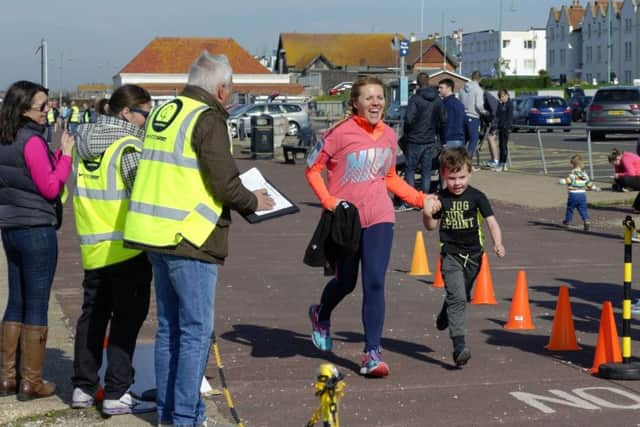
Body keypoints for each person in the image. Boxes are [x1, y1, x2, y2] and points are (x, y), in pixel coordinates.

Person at [123, 52, 274, 426]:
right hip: (190, 236)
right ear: (221, 89)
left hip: (155, 233)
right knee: (194, 334)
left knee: (169, 331)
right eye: (231, 89)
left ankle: (169, 413)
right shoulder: (208, 118)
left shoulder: (164, 110)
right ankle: (185, 417)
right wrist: (256, 200)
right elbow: (223, 181)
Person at [306, 76, 431, 377]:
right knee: (346, 282)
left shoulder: (389, 135)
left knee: (374, 282)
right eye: (369, 98)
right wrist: (328, 200)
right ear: (355, 103)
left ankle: (371, 353)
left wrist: (420, 198)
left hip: (380, 216)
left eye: (380, 97)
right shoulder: (338, 134)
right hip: (346, 220)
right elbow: (312, 169)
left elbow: (389, 177)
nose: (376, 102)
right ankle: (321, 314)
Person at [70, 85, 156, 415]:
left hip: (93, 246)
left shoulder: (83, 141)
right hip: (127, 248)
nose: (147, 120)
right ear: (126, 113)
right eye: (145, 113)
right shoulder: (129, 146)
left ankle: (82, 386)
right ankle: (118, 392)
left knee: (92, 316)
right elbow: (143, 194)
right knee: (126, 319)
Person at [0, 81, 75, 400]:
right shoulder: (31, 140)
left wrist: (53, 156)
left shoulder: (5, 139)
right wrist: (67, 157)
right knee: (36, 302)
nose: (48, 111)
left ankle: (7, 377)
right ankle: (31, 380)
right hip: (36, 228)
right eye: (42, 106)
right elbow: (49, 187)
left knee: (16, 299)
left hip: (11, 226)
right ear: (24, 109)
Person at [422, 147, 505, 367]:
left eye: (461, 177)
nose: (457, 183)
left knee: (460, 295)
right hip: (451, 255)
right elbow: (431, 227)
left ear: (470, 173)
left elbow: (491, 222)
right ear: (443, 176)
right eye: (452, 178)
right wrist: (428, 212)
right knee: (458, 298)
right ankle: (459, 346)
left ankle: (445, 313)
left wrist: (497, 243)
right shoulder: (440, 198)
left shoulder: (477, 196)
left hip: (474, 256)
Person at [396, 72, 446, 212]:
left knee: (410, 170)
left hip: (414, 139)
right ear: (429, 82)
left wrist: (407, 133)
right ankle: (424, 199)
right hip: (430, 139)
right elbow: (443, 119)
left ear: (417, 84)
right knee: (426, 171)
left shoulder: (415, 99)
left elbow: (409, 119)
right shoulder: (437, 100)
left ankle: (412, 200)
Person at [559, 154, 598, 231]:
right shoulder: (584, 175)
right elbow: (589, 184)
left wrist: (561, 181)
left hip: (573, 195)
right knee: (583, 209)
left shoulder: (572, 175)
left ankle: (567, 221)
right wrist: (595, 188)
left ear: (573, 165)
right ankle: (586, 220)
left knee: (570, 208)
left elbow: (566, 181)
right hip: (582, 195)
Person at [459, 71, 486, 159]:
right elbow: (479, 105)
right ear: (480, 79)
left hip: (463, 116)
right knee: (473, 139)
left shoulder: (462, 88)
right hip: (473, 116)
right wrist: (484, 112)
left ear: (471, 77)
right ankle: (468, 162)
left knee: (463, 139)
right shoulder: (478, 89)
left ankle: (460, 160)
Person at [438, 78, 465, 149]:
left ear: (449, 88)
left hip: (449, 139)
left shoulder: (446, 104)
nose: (439, 90)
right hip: (460, 139)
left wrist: (443, 141)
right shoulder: (459, 103)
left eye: (441, 88)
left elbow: (445, 123)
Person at [495, 89, 514, 172]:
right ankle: (501, 163)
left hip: (506, 128)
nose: (501, 98)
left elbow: (509, 117)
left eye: (503, 96)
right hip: (501, 127)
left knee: (504, 146)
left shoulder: (509, 104)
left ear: (507, 95)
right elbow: (497, 115)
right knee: (501, 146)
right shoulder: (501, 104)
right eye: (500, 97)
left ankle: (503, 163)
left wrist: (507, 127)